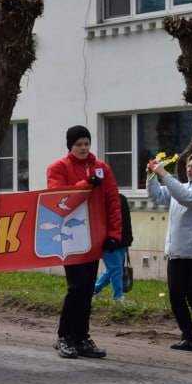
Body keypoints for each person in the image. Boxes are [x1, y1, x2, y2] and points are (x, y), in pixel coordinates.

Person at [48, 125, 122, 359]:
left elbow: (112, 201)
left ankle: (81, 337)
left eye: (86, 143)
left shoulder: (102, 168)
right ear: (70, 146)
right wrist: (86, 184)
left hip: (94, 235)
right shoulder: (58, 167)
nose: (83, 148)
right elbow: (59, 200)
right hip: (70, 237)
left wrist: (114, 234)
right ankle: (64, 336)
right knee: (76, 287)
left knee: (88, 288)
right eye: (78, 144)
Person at [147, 152, 192, 351]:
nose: (189, 169)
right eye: (188, 166)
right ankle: (187, 336)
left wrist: (164, 174)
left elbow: (186, 198)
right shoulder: (181, 187)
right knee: (176, 296)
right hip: (178, 251)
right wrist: (151, 175)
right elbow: (156, 195)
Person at [94, 192, 133, 303]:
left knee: (113, 270)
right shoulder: (103, 201)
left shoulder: (121, 198)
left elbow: (126, 222)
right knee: (116, 270)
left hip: (121, 241)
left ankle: (94, 290)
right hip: (110, 242)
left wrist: (127, 240)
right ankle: (118, 297)